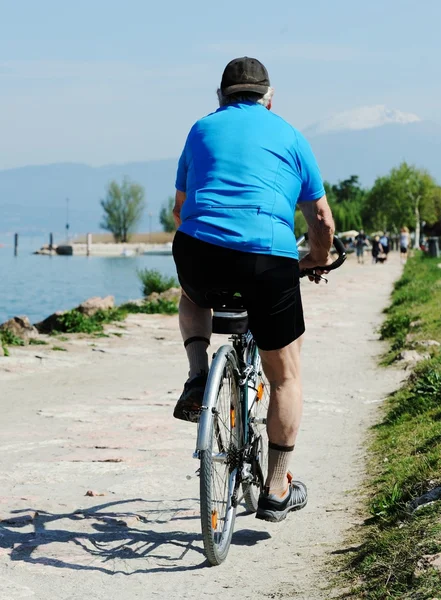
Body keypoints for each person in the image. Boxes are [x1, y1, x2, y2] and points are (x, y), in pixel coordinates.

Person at [171, 57, 335, 523]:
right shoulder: (290, 135)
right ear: (269, 96)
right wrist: (318, 259)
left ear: (221, 96)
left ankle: (198, 373)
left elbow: (180, 209)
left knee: (193, 295)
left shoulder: (200, 130)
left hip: (200, 252)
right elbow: (321, 221)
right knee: (285, 375)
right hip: (268, 257)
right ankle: (278, 488)